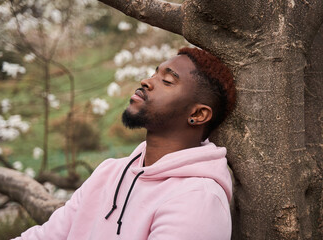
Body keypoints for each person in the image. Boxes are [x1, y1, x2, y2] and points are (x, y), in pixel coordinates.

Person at [13, 47, 236, 240]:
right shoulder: (110, 172)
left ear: (198, 114)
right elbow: (48, 235)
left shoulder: (198, 199)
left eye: (167, 81)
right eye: (153, 74)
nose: (146, 82)